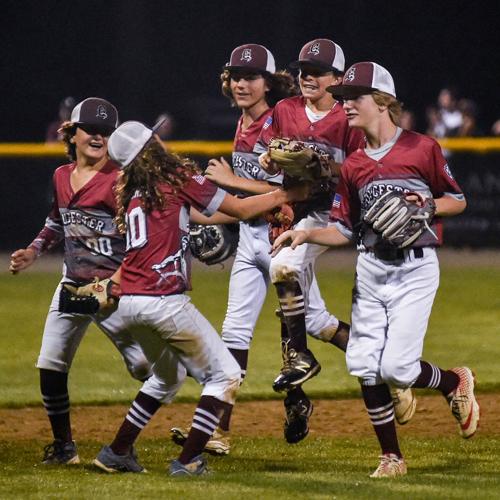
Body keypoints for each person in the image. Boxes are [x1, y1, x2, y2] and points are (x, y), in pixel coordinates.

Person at [272, 62, 480, 478]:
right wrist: (304, 236)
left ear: (382, 102)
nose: (346, 105)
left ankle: (453, 382)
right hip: (371, 269)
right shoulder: (354, 165)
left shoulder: (422, 148)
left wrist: (425, 206)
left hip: (416, 270)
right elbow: (345, 229)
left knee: (398, 369)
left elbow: (457, 199)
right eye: (344, 98)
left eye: (355, 98)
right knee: (365, 365)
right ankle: (391, 457)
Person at [170, 42, 363, 452]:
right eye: (236, 76)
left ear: (269, 83)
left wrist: (227, 183)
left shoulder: (279, 120)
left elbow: (288, 192)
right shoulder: (245, 123)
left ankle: (386, 371)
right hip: (252, 238)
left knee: (315, 323)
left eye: (251, 77)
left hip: (283, 236)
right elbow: (246, 204)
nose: (241, 83)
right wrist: (196, 218)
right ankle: (219, 431)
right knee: (236, 332)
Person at [91, 120, 308, 475]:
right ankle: (188, 459)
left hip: (130, 302)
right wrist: (286, 195)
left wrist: (264, 204)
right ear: (152, 146)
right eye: (155, 136)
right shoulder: (174, 177)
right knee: (225, 375)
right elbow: (237, 210)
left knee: (165, 377)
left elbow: (212, 212)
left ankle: (117, 451)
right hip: (163, 301)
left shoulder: (137, 192)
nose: (161, 138)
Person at [9, 98, 153, 465]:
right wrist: (33, 250)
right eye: (91, 129)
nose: (98, 136)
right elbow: (57, 221)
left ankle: (126, 441)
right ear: (72, 133)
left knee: (147, 369)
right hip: (73, 286)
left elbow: (141, 238)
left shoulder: (121, 180)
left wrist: (119, 283)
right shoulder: (61, 175)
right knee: (50, 364)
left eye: (106, 131)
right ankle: (63, 447)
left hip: (115, 291)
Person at [254, 38, 364, 393]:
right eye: (304, 71)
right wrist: (269, 159)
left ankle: (300, 355)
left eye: (318, 72)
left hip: (330, 211)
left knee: (282, 267)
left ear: (337, 77)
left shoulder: (348, 116)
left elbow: (361, 169)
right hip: (296, 212)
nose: (308, 77)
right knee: (313, 317)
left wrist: (325, 165)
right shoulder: (286, 109)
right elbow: (267, 152)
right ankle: (390, 371)